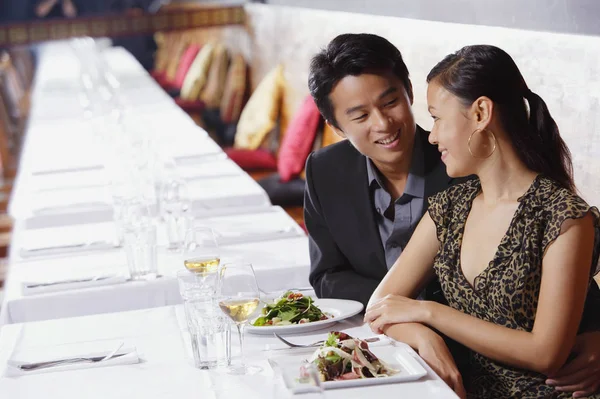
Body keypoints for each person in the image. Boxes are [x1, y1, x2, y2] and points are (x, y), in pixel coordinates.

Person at [306, 33, 600, 398]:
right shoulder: (451, 205)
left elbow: (554, 336)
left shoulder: (559, 213)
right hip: (448, 380)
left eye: (436, 119)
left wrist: (427, 312)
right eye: (361, 115)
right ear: (337, 127)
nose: (431, 135)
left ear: (480, 113)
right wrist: (417, 325)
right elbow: (369, 299)